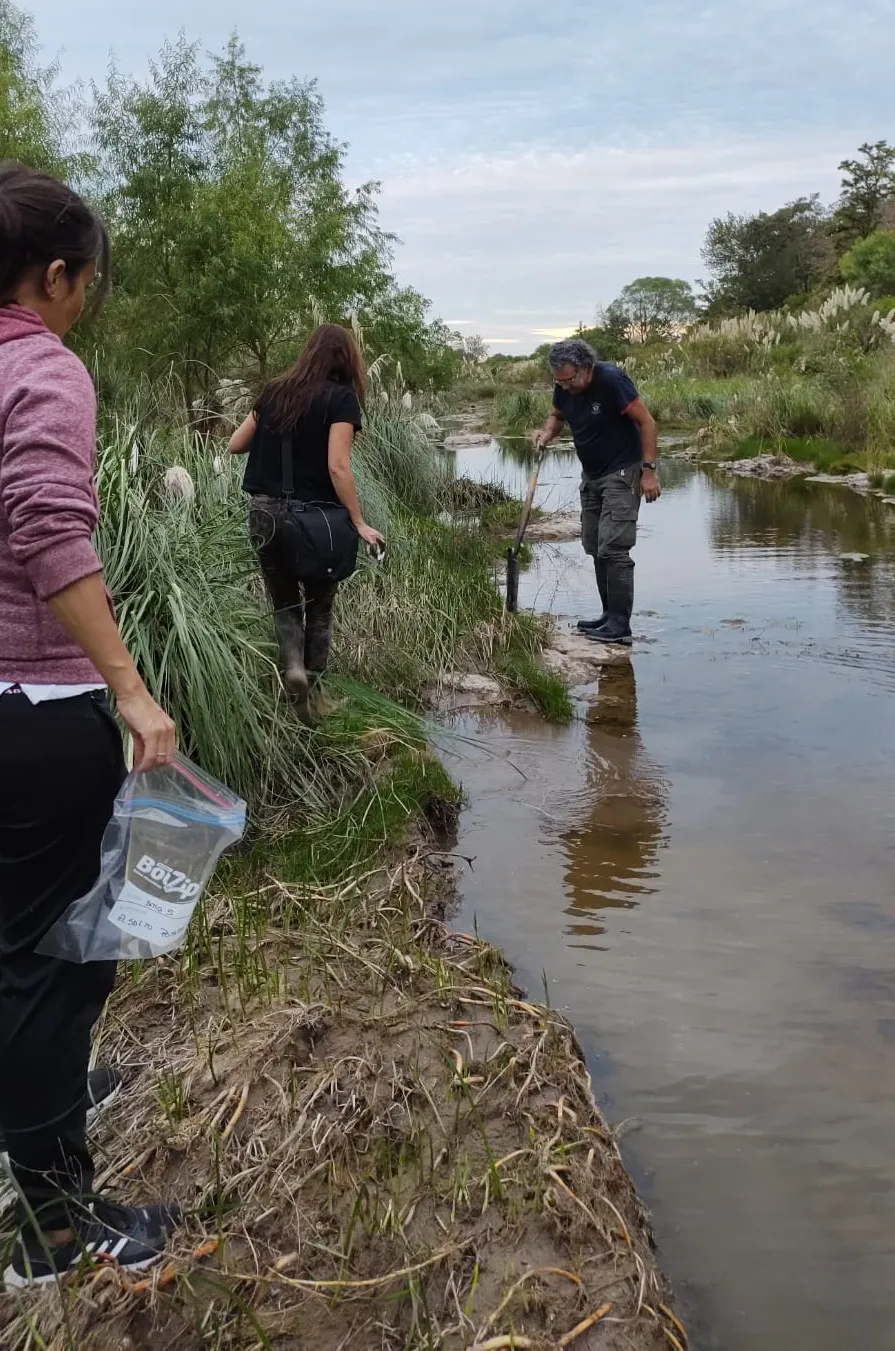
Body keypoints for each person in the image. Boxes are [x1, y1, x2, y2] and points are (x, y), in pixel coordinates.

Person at [0, 163, 179, 1289]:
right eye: (87, 282)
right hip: (41, 710)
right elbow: (49, 531)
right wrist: (131, 686)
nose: (84, 302)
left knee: (15, 949)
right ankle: (58, 1228)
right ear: (56, 274)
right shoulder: (44, 369)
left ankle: (38, 1103)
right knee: (58, 963)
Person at [228, 324, 384, 722]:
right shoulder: (342, 400)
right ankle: (315, 694)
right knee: (319, 608)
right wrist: (360, 522)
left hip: (264, 512)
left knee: (283, 602)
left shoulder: (274, 391)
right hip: (316, 521)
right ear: (347, 360)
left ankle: (292, 668)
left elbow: (235, 444)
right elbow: (338, 465)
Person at [534, 338, 661, 646]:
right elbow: (557, 415)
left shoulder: (611, 379)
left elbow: (647, 422)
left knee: (615, 548)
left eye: (570, 380)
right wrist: (547, 431)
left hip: (622, 471)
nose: (566, 387)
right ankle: (608, 616)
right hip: (591, 475)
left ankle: (620, 625)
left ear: (586, 368)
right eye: (559, 381)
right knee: (595, 545)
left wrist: (648, 471)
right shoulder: (564, 386)